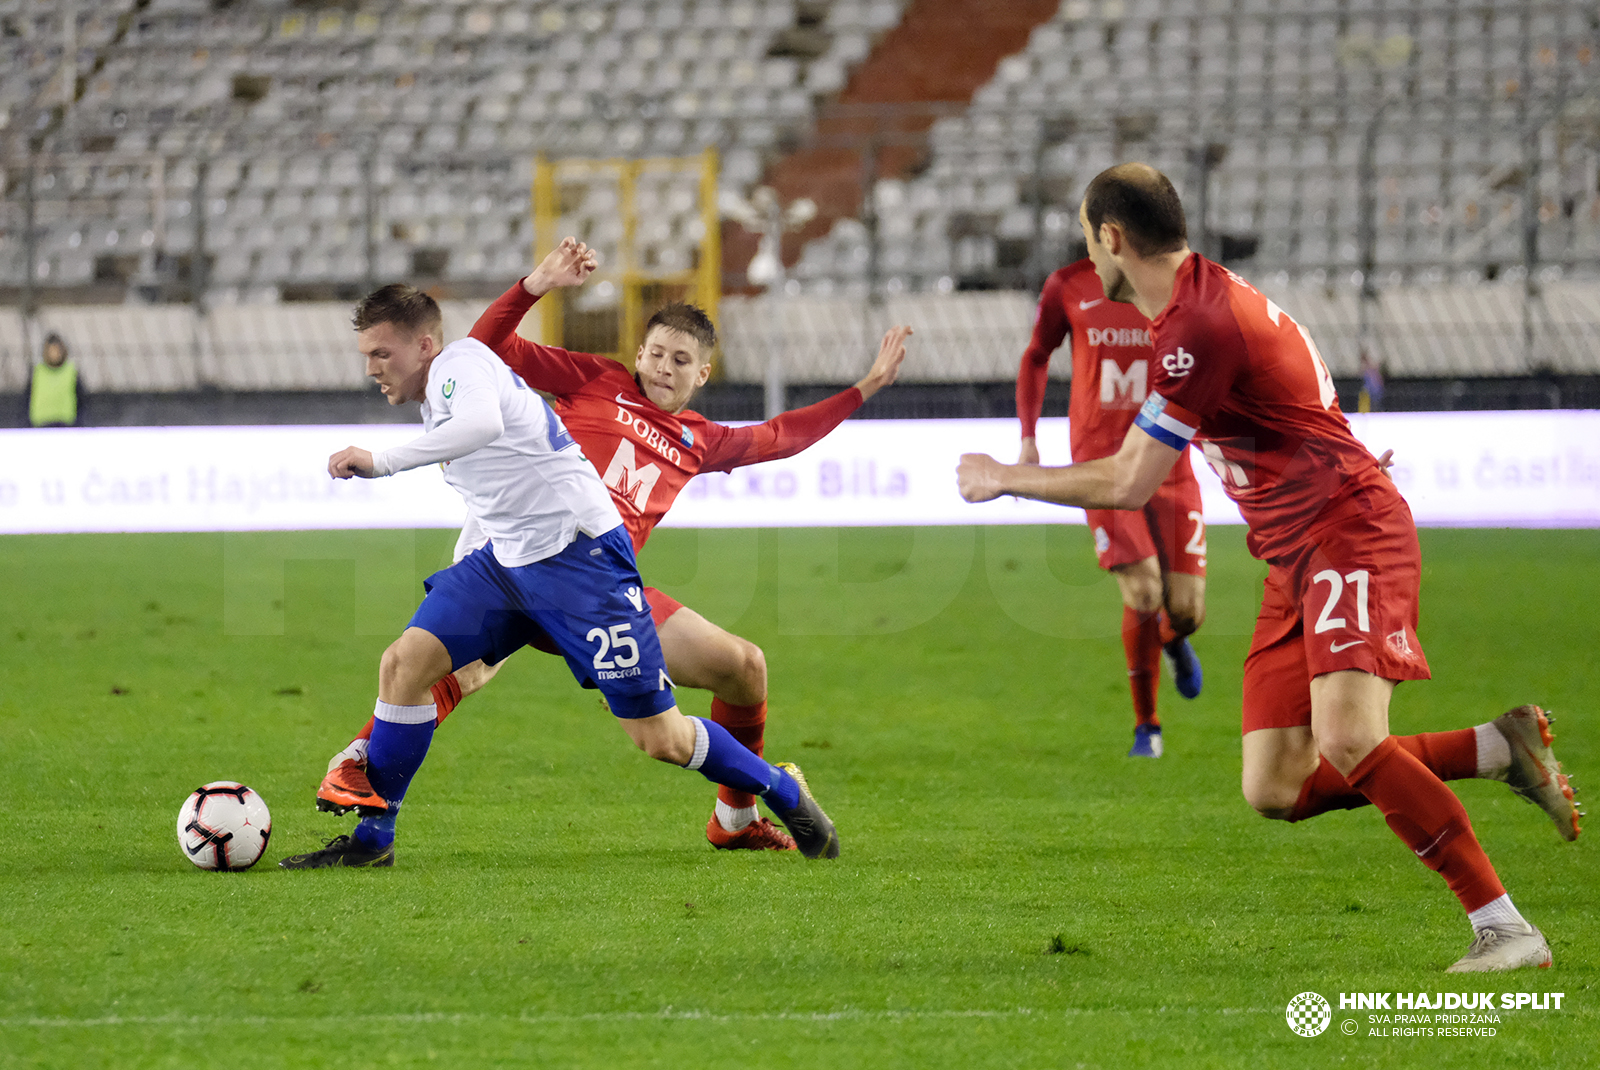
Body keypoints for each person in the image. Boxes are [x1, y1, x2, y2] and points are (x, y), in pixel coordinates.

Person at [957, 163, 1580, 972]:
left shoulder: (1197, 325)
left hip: (1345, 532)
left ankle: (1504, 927)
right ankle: (1498, 748)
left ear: (1110, 238)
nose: (1086, 253)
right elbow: (1296, 403)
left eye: (1086, 235)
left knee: (1350, 737)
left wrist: (1004, 478)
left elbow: (1128, 480)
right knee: (1275, 786)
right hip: (1296, 550)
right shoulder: (1205, 304)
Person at [317, 238, 910, 853]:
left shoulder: (703, 441)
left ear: (703, 374)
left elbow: (786, 435)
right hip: (514, 551)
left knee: (738, 673)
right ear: (638, 353)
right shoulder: (596, 380)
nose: (662, 366)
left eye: (680, 360)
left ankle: (738, 818)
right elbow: (486, 348)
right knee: (428, 663)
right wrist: (536, 282)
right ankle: (369, 799)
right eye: (655, 352)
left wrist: (863, 387)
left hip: (592, 579)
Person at [1017, 255, 1206, 758]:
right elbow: (1036, 355)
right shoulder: (1068, 285)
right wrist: (1029, 438)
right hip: (1101, 463)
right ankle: (1148, 726)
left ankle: (1172, 636)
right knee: (1143, 590)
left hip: (1169, 459)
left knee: (1186, 612)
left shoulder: (1181, 280)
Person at [27, 332, 85, 427]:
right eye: (51, 351)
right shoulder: (37, 372)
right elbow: (27, 398)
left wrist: (78, 423)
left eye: (57, 351)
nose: (54, 354)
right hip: (41, 425)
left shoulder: (71, 372)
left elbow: (81, 400)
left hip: (65, 424)